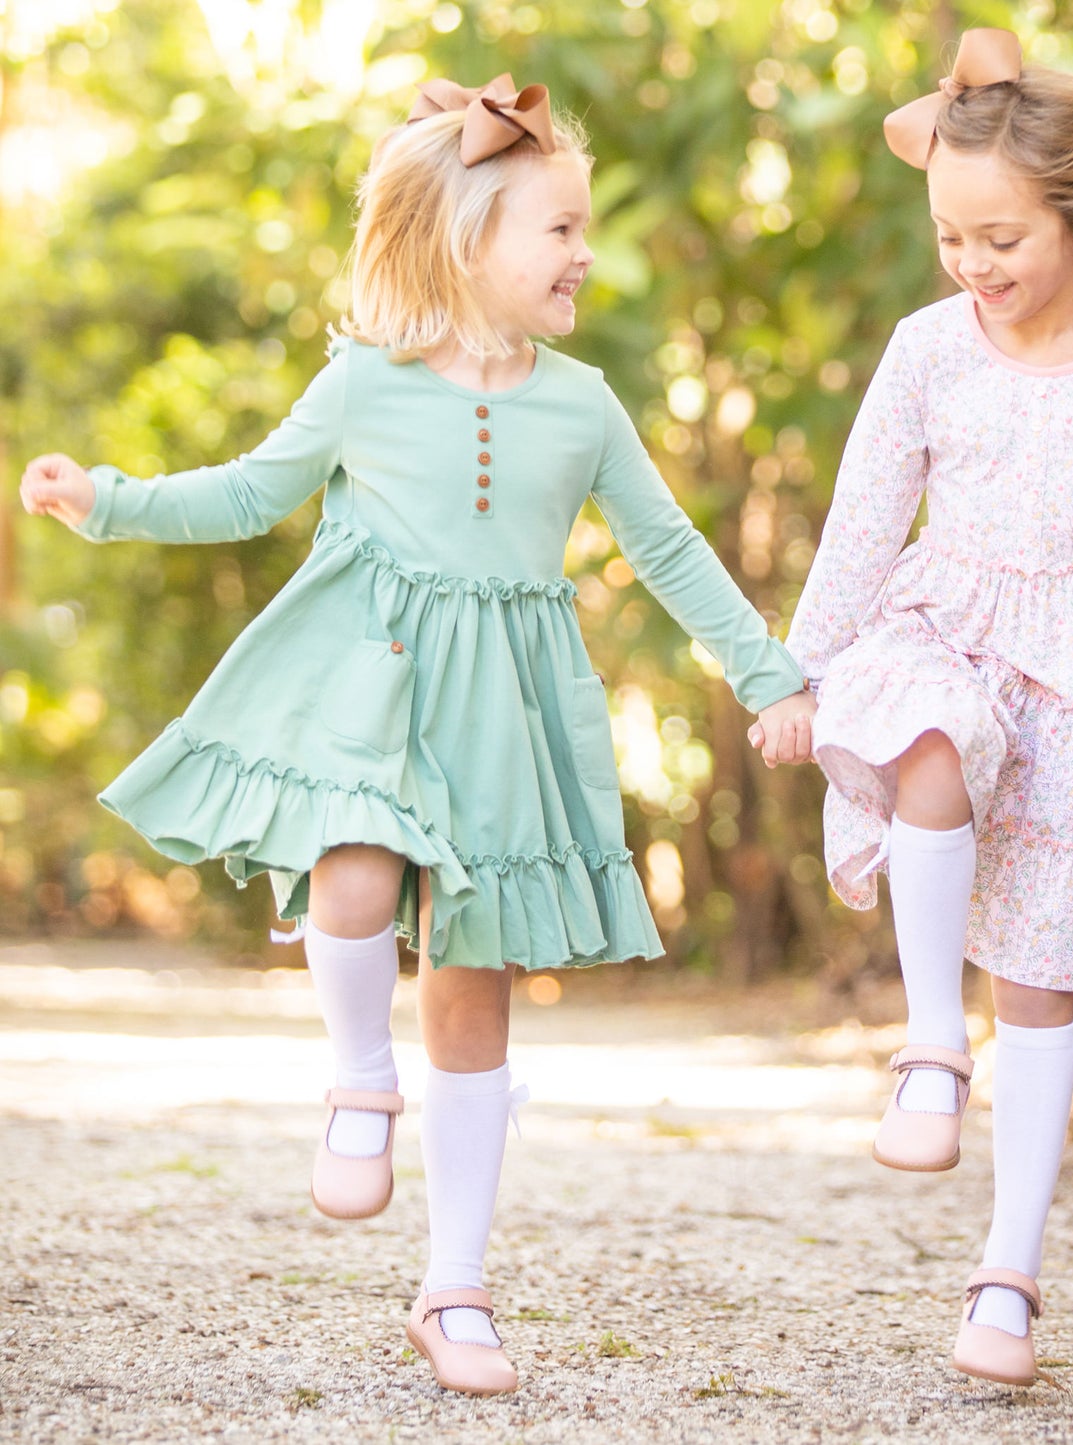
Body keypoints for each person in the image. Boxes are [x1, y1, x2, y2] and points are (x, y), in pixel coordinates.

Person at [20, 73, 814, 1397]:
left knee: (474, 987)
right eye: (558, 230)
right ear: (467, 244)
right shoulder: (364, 383)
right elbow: (247, 493)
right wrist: (105, 500)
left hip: (506, 712)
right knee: (351, 867)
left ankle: (455, 1286)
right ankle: (354, 1079)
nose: (584, 253)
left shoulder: (585, 406)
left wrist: (770, 675)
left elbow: (670, 553)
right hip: (370, 685)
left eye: (581, 227)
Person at [774, 28, 1073, 1386]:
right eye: (950, 239)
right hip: (948, 622)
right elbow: (866, 515)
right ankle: (929, 1046)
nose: (973, 268)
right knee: (928, 745)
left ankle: (1007, 1272)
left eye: (999, 238)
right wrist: (799, 674)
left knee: (1039, 981)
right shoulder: (929, 349)